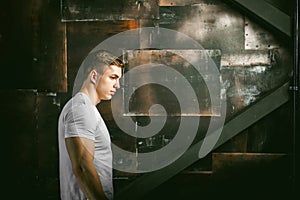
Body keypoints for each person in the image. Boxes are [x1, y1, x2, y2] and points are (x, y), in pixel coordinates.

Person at [58, 50, 124, 200]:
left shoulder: (86, 108)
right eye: (113, 77)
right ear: (94, 76)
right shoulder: (81, 109)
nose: (117, 85)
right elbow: (82, 167)